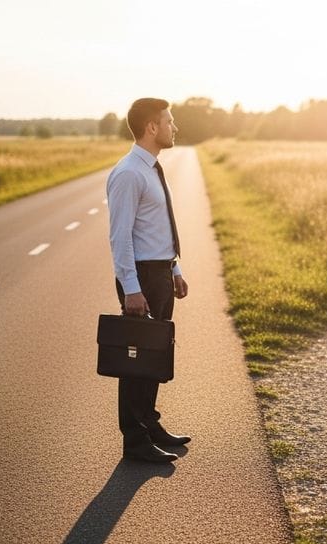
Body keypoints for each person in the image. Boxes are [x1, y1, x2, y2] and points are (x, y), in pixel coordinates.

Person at [106, 98, 191, 463]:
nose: (175, 127)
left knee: (154, 356)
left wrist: (173, 269)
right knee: (136, 361)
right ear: (152, 127)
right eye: (169, 122)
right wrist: (133, 289)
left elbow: (154, 227)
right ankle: (134, 440)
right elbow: (120, 237)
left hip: (158, 271)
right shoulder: (129, 173)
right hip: (139, 276)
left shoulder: (152, 169)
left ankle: (150, 424)